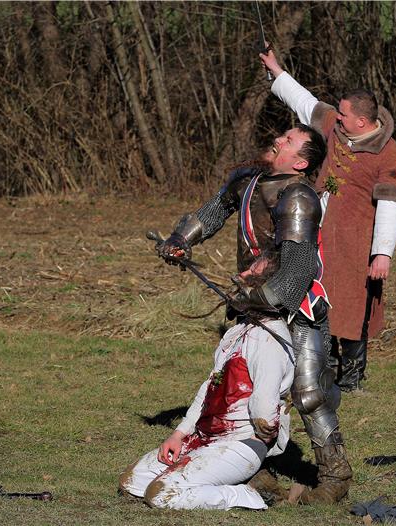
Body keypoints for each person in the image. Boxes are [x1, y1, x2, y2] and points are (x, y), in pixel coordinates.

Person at [148, 124, 351, 505]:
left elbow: (298, 267)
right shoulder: (249, 180)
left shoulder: (298, 195)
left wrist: (261, 297)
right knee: (241, 387)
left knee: (307, 393)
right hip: (252, 300)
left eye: (288, 141)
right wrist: (179, 241)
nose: (277, 139)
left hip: (297, 306)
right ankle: (254, 471)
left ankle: (334, 476)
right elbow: (213, 211)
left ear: (301, 161)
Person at [260, 48, 396, 393]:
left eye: (343, 115)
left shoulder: (389, 154)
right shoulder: (334, 128)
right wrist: (276, 71)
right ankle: (321, 369)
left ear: (362, 120)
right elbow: (306, 103)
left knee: (355, 307)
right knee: (317, 299)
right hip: (320, 233)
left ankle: (352, 377)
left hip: (358, 242)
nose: (337, 118)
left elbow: (391, 205)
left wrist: (382, 253)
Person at [118, 313, 294, 510]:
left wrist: (259, 437)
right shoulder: (240, 330)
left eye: (246, 280)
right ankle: (211, 478)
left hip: (240, 443)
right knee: (131, 483)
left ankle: (248, 494)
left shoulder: (272, 339)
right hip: (204, 437)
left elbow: (265, 409)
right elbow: (210, 386)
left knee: (160, 495)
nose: (237, 281)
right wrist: (179, 434)